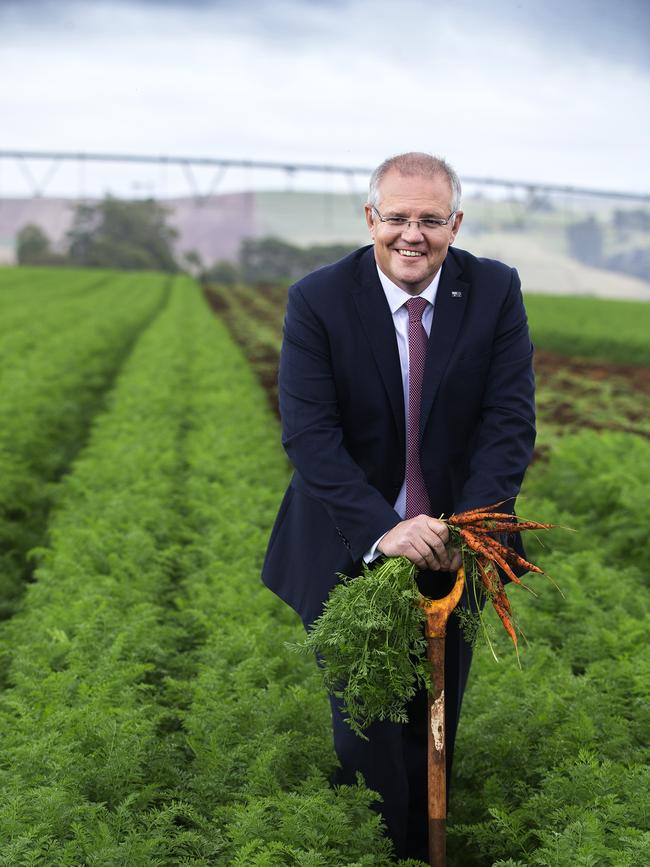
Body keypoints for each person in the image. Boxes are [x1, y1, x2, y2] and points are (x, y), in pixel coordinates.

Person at [261, 152, 536, 861]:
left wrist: (464, 529)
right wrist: (386, 528)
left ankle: (427, 848)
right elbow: (309, 435)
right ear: (370, 219)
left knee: (435, 724)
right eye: (398, 218)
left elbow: (509, 422)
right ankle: (382, 851)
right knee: (368, 736)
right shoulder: (319, 298)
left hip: (457, 546)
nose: (412, 235)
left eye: (431, 220)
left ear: (456, 223)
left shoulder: (494, 289)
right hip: (350, 541)